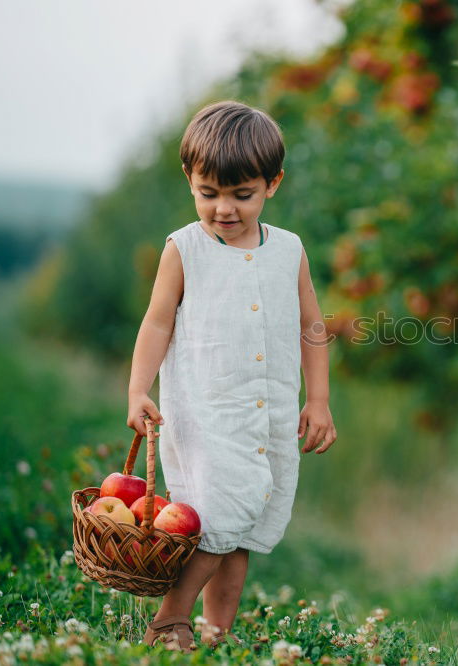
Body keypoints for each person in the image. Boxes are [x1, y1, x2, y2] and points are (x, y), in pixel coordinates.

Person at [125, 100, 337, 652]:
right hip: (206, 413)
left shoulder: (288, 250)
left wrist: (319, 400)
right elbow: (156, 323)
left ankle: (218, 638)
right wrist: (137, 388)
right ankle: (170, 619)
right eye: (208, 193)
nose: (224, 208)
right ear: (189, 181)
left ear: (273, 184)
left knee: (238, 535)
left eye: (242, 194)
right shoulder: (185, 249)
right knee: (220, 517)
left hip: (268, 417)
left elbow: (313, 326)